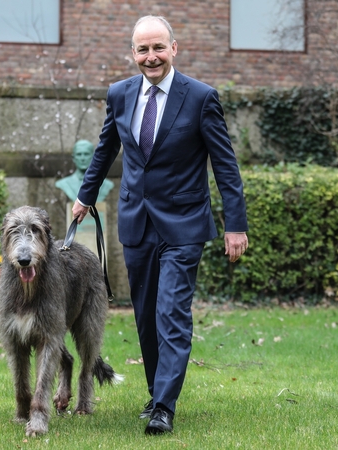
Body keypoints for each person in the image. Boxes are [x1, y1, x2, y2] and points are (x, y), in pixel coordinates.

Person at [71, 15, 249, 435]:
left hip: (184, 224)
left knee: (171, 313)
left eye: (158, 48)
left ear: (174, 48)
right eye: (142, 50)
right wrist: (85, 195)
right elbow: (105, 149)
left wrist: (235, 225)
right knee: (147, 316)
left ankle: (164, 407)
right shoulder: (119, 94)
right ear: (133, 54)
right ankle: (156, 394)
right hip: (136, 223)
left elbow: (225, 166)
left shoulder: (201, 98)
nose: (150, 57)